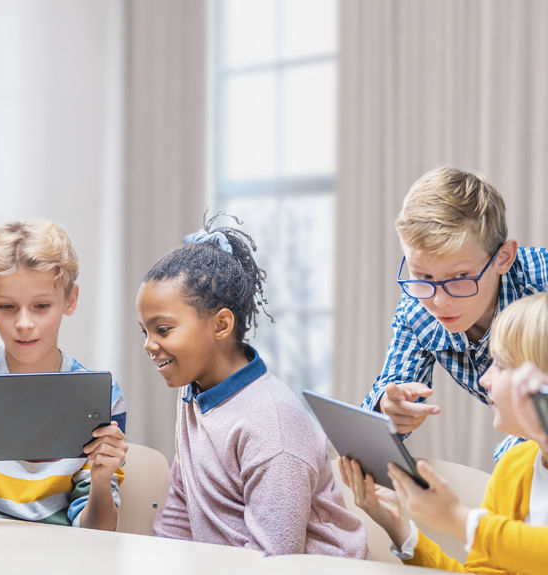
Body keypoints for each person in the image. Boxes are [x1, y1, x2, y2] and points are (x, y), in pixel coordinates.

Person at [141, 215, 367, 557]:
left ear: (221, 325)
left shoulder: (272, 425)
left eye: (162, 330)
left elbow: (275, 560)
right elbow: (179, 511)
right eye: (144, 331)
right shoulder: (193, 393)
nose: (148, 344)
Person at [0, 220, 128, 529]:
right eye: (7, 306)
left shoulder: (101, 394)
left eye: (41, 306)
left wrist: (102, 479)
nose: (24, 323)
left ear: (70, 300)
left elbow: (97, 532)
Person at [341, 292, 548, 572]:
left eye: (501, 364)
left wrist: (456, 518)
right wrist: (400, 528)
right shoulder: (514, 467)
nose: (485, 380)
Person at [363, 167, 548, 461]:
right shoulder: (416, 309)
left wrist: (514, 459)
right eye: (422, 276)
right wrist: (388, 407)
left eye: (460, 276)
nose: (438, 300)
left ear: (504, 258)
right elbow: (390, 393)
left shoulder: (542, 283)